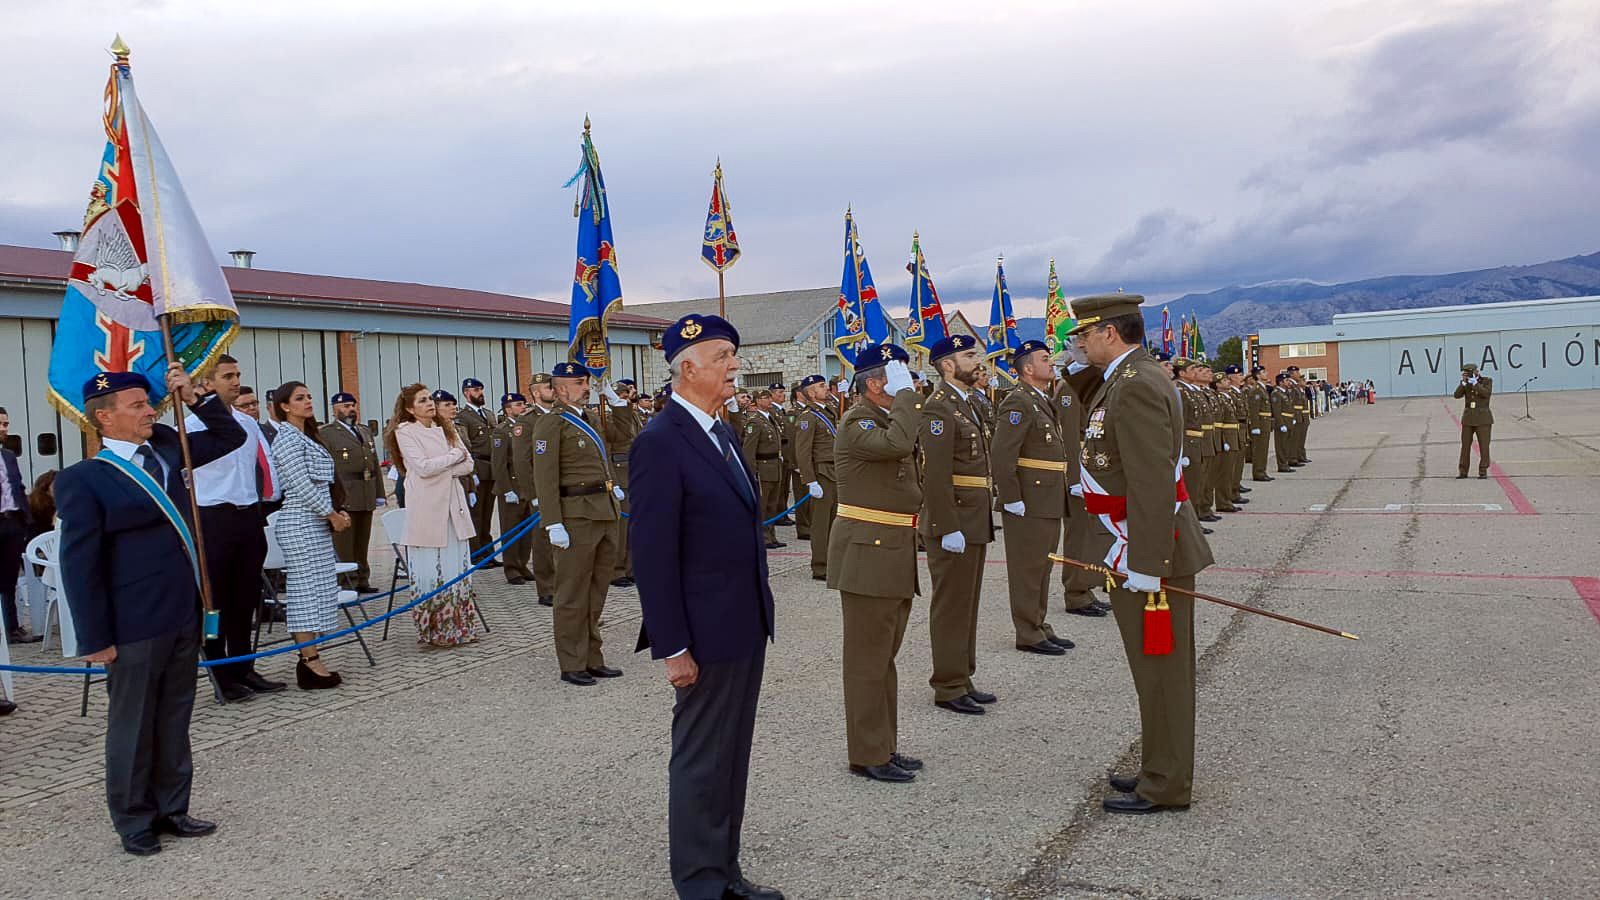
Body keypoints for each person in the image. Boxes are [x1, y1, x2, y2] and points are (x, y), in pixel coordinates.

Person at [55, 365, 243, 855]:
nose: (149, 410)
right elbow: (80, 564)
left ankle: (172, 808)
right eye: (137, 405)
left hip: (182, 611)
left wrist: (195, 396)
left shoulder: (163, 448)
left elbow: (229, 437)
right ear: (104, 418)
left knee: (174, 716)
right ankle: (133, 820)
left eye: (148, 402)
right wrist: (94, 636)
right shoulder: (84, 480)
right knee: (132, 724)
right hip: (132, 621)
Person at [631, 315, 783, 900]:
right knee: (700, 760)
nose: (735, 366)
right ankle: (698, 883)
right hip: (700, 632)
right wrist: (672, 645)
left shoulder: (722, 432)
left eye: (733, 356)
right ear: (687, 367)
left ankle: (725, 873)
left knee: (730, 759)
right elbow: (652, 554)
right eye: (723, 356)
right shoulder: (660, 441)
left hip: (742, 624)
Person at [1068, 294, 1214, 814]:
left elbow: (1153, 484)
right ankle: (1158, 766)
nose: (1076, 345)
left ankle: (1167, 784)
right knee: (1152, 673)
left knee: (1164, 675)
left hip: (1153, 552)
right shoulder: (1127, 379)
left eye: (1083, 335)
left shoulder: (1137, 386)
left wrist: (1146, 564)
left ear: (1110, 332)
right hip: (1141, 544)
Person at [828, 342, 925, 783]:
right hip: (869, 552)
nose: (907, 385)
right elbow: (901, 442)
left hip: (890, 548)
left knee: (885, 657)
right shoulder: (857, 422)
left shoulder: (882, 417)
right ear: (873, 383)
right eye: (897, 376)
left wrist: (904, 398)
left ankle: (884, 745)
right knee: (868, 661)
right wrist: (907, 397)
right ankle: (867, 754)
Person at [186, 355, 284, 703]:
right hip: (214, 518)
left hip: (247, 515)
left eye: (238, 374)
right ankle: (220, 672)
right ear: (207, 383)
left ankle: (244, 666)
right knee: (218, 603)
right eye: (227, 375)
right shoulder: (193, 426)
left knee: (246, 599)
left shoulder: (247, 421)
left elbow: (262, 466)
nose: (236, 380)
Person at [918, 334, 997, 715]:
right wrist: (946, 525)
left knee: (967, 602)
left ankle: (962, 676)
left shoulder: (966, 403)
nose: (976, 361)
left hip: (973, 516)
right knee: (951, 604)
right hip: (955, 519)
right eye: (968, 355)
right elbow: (935, 473)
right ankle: (948, 685)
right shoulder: (939, 408)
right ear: (947, 365)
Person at [532, 363, 624, 686]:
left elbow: (620, 439)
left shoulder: (589, 418)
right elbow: (544, 478)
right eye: (578, 382)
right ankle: (571, 662)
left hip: (603, 511)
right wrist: (552, 523)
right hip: (575, 517)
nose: (586, 387)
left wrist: (615, 400)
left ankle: (592, 657)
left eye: (586, 381)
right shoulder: (551, 423)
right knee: (572, 592)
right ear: (559, 389)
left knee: (596, 590)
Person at [991, 339, 1076, 657]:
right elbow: (1002, 453)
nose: (1051, 362)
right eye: (1044, 359)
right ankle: (1027, 631)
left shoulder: (1040, 399)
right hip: (1029, 498)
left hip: (1047, 496)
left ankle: (1039, 625)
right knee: (1028, 568)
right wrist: (1011, 497)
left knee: (1043, 566)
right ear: (1028, 368)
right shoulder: (1019, 402)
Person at [267, 382, 349, 690]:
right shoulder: (286, 438)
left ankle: (313, 655)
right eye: (300, 398)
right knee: (304, 594)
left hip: (315, 521)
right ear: (285, 406)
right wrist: (330, 514)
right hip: (300, 522)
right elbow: (300, 484)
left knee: (319, 590)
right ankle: (309, 661)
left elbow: (323, 482)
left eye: (309, 396)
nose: (307, 401)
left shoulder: (306, 436)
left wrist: (337, 510)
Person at [387, 384, 481, 647]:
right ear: (409, 408)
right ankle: (434, 631)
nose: (429, 404)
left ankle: (459, 627)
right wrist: (452, 458)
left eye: (430, 399)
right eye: (422, 400)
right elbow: (422, 467)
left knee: (455, 567)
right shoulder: (405, 431)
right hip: (427, 507)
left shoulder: (446, 428)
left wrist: (448, 466)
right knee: (429, 570)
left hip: (453, 504)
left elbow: (468, 464)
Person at [319, 392, 381, 594]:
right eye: (345, 406)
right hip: (345, 493)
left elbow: (374, 465)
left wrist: (379, 492)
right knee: (345, 542)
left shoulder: (363, 431)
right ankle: (347, 582)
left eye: (353, 405)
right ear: (334, 409)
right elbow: (326, 468)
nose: (350, 409)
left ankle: (363, 578)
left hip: (366, 491)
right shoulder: (327, 433)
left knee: (363, 540)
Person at [511, 373, 559, 606]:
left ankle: (563, 583)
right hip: (542, 491)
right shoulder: (527, 421)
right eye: (549, 387)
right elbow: (522, 462)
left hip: (564, 489)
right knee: (543, 541)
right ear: (536, 393)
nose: (554, 389)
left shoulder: (561, 415)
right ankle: (547, 588)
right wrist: (534, 494)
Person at [792, 374, 837, 581]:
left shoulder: (828, 411)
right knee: (821, 523)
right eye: (821, 386)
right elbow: (803, 452)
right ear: (811, 392)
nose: (826, 388)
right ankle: (820, 566)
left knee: (833, 521)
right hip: (821, 473)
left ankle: (833, 561)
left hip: (834, 472)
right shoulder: (808, 417)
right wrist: (810, 480)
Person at [600, 379, 644, 588]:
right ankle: (616, 569)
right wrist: (613, 481)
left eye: (626, 396)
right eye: (621, 396)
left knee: (634, 527)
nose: (625, 400)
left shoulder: (632, 414)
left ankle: (631, 567)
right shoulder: (607, 417)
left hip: (635, 473)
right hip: (620, 474)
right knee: (622, 527)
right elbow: (609, 448)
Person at [0, 405, 37, 644]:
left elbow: (19, 489)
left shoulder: (9, 456)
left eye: (6, 424)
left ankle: (12, 628)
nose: (4, 429)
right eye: (1, 424)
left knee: (9, 578)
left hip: (11, 523)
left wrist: (27, 521)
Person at [490, 392, 534, 586]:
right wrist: (506, 488)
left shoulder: (527, 427)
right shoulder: (501, 430)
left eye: (523, 403)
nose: (523, 407)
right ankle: (511, 568)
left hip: (527, 487)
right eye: (518, 404)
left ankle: (523, 564)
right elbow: (498, 464)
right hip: (511, 487)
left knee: (527, 531)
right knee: (511, 529)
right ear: (508, 409)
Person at [457, 377, 498, 565]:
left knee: (488, 513)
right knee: (476, 514)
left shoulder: (489, 414)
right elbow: (466, 445)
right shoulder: (463, 417)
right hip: (477, 466)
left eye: (481, 389)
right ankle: (476, 553)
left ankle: (488, 552)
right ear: (466, 393)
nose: (480, 393)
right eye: (475, 390)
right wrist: (471, 472)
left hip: (492, 468)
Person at [740, 389, 786, 549]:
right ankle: (763, 537)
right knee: (763, 504)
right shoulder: (755, 422)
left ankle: (771, 535)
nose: (768, 400)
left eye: (768, 397)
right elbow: (749, 451)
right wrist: (752, 472)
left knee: (773, 504)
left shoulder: (771, 418)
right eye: (764, 398)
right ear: (757, 401)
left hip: (775, 465)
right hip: (763, 466)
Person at [1454, 363, 1493, 479]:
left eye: (1470, 372)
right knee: (1465, 446)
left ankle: (1483, 470)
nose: (1468, 374)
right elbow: (1456, 395)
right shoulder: (1466, 384)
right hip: (1468, 419)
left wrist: (1475, 383)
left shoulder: (1486, 381)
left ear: (1477, 371)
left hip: (1483, 418)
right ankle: (1463, 471)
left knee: (1484, 445)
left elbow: (1486, 394)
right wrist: (1464, 382)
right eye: (1466, 372)